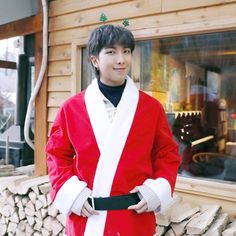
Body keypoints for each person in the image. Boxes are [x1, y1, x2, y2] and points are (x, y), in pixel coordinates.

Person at [46, 24, 181, 236]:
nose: (122, 59)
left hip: (134, 218)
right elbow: (56, 155)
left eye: (126, 51)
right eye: (111, 52)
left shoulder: (151, 107)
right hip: (87, 216)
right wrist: (71, 194)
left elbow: (167, 153)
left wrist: (156, 190)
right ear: (95, 60)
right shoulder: (71, 108)